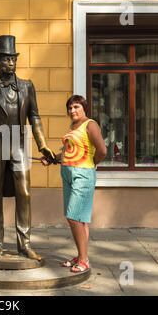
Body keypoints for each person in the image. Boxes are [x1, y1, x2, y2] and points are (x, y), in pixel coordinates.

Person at [0, 35, 55, 260]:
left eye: (13, 58)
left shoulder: (27, 87)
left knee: (24, 193)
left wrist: (42, 144)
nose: (11, 62)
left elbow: (34, 116)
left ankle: (24, 244)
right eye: (6, 59)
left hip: (19, 146)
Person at [43, 95, 106, 272]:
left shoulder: (90, 125)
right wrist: (52, 159)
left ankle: (84, 260)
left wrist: (92, 162)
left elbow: (102, 150)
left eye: (76, 107)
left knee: (73, 217)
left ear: (84, 107)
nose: (72, 111)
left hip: (82, 175)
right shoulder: (73, 126)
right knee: (80, 220)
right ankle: (80, 255)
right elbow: (69, 150)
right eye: (70, 108)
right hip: (68, 174)